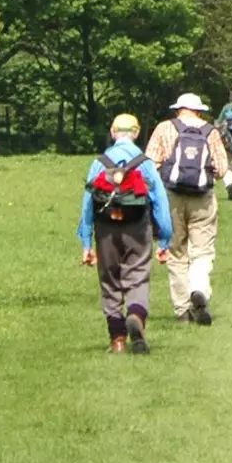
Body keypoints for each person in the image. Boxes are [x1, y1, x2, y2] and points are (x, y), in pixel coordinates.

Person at [78, 112, 171, 353]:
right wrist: (165, 239)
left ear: (112, 132)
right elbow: (160, 200)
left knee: (110, 280)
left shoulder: (100, 162)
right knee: (137, 274)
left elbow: (88, 202)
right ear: (137, 133)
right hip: (138, 226)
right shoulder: (145, 162)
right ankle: (137, 316)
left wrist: (86, 242)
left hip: (106, 228)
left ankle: (117, 339)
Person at [145, 94, 230, 326]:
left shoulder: (164, 128)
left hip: (171, 197)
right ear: (198, 111)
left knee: (176, 253)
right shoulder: (210, 131)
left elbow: (150, 164)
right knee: (202, 251)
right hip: (202, 198)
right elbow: (222, 169)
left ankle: (182, 310)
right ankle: (199, 288)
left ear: (178, 110)